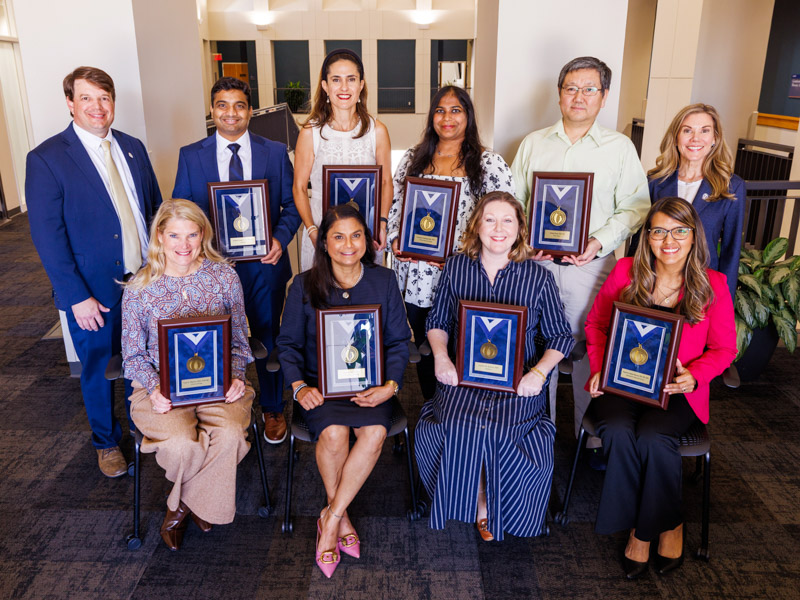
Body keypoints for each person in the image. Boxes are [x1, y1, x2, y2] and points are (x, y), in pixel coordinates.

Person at [585, 197, 736, 578]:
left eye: (679, 231)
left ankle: (658, 527)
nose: (669, 240)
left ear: (693, 236)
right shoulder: (624, 273)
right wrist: (601, 367)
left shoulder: (713, 285)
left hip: (676, 391)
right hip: (621, 385)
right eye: (659, 231)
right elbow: (597, 326)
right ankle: (648, 527)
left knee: (653, 437)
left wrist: (696, 374)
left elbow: (724, 348)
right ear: (647, 238)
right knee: (618, 430)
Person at [26, 66, 162, 478]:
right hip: (92, 291)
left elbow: (153, 210)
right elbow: (48, 237)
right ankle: (106, 442)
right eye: (86, 98)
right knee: (99, 366)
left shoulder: (133, 147)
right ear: (70, 103)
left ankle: (149, 426)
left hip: (145, 280)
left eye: (104, 97)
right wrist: (74, 296)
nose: (97, 107)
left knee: (147, 358)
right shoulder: (47, 158)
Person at [415, 191, 574, 542]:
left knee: (503, 431)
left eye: (507, 221)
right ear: (477, 225)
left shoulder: (538, 277)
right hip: (464, 379)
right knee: (452, 425)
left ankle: (496, 505)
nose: (498, 228)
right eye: (490, 219)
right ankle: (469, 498)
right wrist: (441, 357)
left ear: (520, 230)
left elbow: (561, 337)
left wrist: (539, 373)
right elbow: (438, 320)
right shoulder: (457, 267)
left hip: (518, 384)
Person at [510, 56, 650, 441]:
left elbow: (636, 207)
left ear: (604, 97)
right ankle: (540, 436)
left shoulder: (620, 148)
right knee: (537, 348)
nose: (579, 96)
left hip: (591, 267)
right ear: (559, 95)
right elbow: (514, 202)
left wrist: (597, 241)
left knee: (591, 350)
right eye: (571, 88)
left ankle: (590, 438)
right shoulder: (533, 143)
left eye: (589, 89)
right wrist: (525, 241)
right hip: (535, 267)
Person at [276, 204, 410, 577]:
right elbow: (287, 345)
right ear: (324, 243)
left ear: (367, 241)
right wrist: (300, 387)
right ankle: (343, 518)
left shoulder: (383, 281)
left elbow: (400, 342)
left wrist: (390, 386)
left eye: (356, 236)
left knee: (375, 431)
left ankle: (331, 518)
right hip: (320, 388)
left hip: (372, 387)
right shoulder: (303, 284)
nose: (348, 244)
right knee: (334, 434)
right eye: (338, 236)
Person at [172, 77, 300, 444]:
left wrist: (279, 238)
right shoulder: (190, 154)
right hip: (211, 268)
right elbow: (181, 211)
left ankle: (273, 407)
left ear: (250, 111)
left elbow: (291, 206)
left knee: (268, 334)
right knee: (217, 335)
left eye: (239, 105)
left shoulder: (274, 152)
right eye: (223, 105)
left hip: (264, 265)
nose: (231, 113)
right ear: (212, 111)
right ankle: (224, 408)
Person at [122, 199, 255, 551]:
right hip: (160, 389)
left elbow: (241, 339)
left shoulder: (224, 276)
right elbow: (132, 355)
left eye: (192, 234)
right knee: (182, 443)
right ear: (160, 237)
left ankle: (179, 505)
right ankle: (200, 502)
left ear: (203, 235)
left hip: (220, 382)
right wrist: (152, 388)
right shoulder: (139, 287)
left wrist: (238, 374)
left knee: (229, 436)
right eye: (175, 235)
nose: (184, 245)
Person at [387, 85, 515, 400]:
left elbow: (506, 217)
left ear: (468, 116)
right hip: (416, 274)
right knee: (426, 346)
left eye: (456, 110)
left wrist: (468, 252)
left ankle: (462, 413)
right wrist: (394, 239)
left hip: (463, 274)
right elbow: (394, 206)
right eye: (440, 110)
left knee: (462, 344)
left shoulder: (489, 163)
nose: (447, 118)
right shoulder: (413, 158)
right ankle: (432, 406)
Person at [293, 48, 393, 270]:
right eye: (336, 80)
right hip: (321, 231)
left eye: (351, 79)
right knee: (321, 298)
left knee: (364, 298)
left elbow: (386, 182)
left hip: (364, 233)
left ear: (361, 85)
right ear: (325, 86)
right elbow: (299, 187)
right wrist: (311, 230)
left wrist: (382, 223)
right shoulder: (311, 132)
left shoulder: (377, 131)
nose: (344, 87)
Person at [632, 104, 745, 300]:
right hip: (654, 285)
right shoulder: (655, 181)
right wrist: (631, 280)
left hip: (702, 288)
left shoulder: (731, 187)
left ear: (715, 138)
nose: (695, 138)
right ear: (676, 137)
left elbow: (731, 251)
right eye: (687, 130)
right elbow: (640, 239)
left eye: (704, 130)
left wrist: (725, 301)